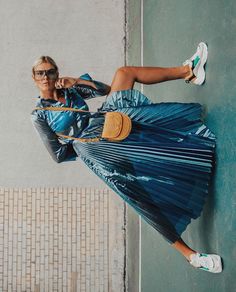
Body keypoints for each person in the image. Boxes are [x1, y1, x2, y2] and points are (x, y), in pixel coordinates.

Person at [31, 42, 222, 273]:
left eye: (50, 71)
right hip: (94, 149)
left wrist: (78, 82)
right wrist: (87, 147)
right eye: (40, 72)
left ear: (56, 73)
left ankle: (188, 71)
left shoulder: (69, 89)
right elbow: (58, 155)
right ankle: (191, 256)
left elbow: (104, 90)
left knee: (124, 73)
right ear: (34, 78)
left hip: (103, 122)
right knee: (140, 197)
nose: (45, 76)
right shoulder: (39, 114)